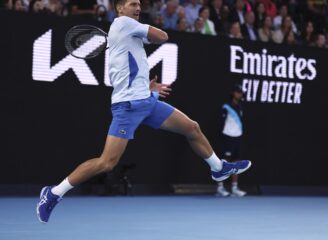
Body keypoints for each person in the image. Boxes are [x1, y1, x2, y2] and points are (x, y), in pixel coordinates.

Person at [36, 0, 251, 223]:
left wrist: (149, 89)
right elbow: (163, 37)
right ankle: (53, 193)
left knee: (192, 128)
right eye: (132, 4)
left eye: (139, 4)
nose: (138, 8)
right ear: (119, 9)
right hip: (127, 108)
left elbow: (128, 68)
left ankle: (218, 168)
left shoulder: (128, 33)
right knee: (107, 163)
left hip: (146, 102)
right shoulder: (123, 24)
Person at [216, 84, 247, 197]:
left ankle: (234, 187)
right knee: (224, 161)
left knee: (236, 162)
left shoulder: (241, 107)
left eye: (241, 92)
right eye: (238, 92)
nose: (240, 94)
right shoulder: (226, 106)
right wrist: (222, 136)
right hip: (227, 136)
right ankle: (220, 187)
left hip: (238, 137)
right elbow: (221, 122)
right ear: (233, 93)